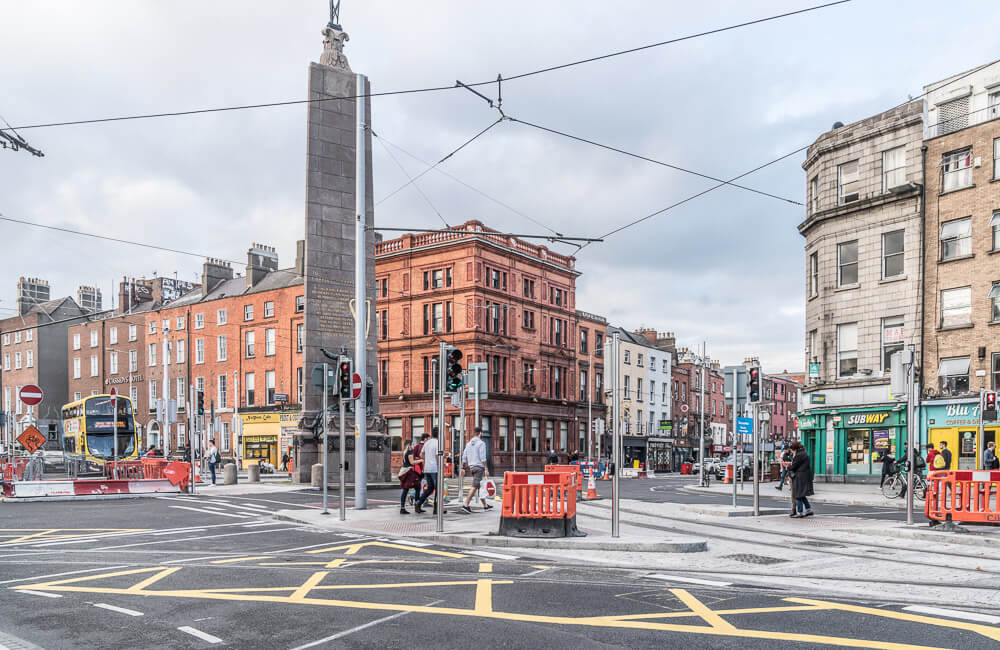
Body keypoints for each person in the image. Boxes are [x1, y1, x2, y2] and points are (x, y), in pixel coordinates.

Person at [460, 427, 490, 514]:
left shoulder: (468, 444)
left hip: (472, 467)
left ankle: (485, 505)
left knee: (479, 486)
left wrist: (463, 467)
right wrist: (486, 468)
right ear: (480, 433)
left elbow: (464, 456)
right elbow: (483, 457)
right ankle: (466, 505)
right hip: (479, 467)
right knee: (474, 486)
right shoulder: (481, 443)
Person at [414, 429, 444, 514]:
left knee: (430, 488)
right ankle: (436, 508)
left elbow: (421, 454)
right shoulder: (438, 443)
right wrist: (439, 466)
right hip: (435, 469)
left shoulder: (427, 443)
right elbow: (437, 456)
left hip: (427, 468)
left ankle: (419, 503)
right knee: (438, 489)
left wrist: (427, 460)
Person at [788, 441, 814, 518]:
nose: (791, 451)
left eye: (792, 449)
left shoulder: (799, 455)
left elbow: (793, 466)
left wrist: (787, 467)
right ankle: (809, 509)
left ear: (794, 449)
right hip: (805, 476)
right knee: (801, 494)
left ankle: (800, 512)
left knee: (798, 495)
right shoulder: (803, 453)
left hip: (800, 477)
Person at [398, 441, 422, 514]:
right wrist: (421, 460)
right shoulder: (410, 452)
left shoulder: (405, 452)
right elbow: (412, 462)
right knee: (417, 487)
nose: (414, 446)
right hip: (409, 472)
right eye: (412, 444)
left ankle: (403, 507)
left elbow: (403, 463)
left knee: (407, 489)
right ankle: (417, 506)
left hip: (404, 471)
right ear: (409, 445)